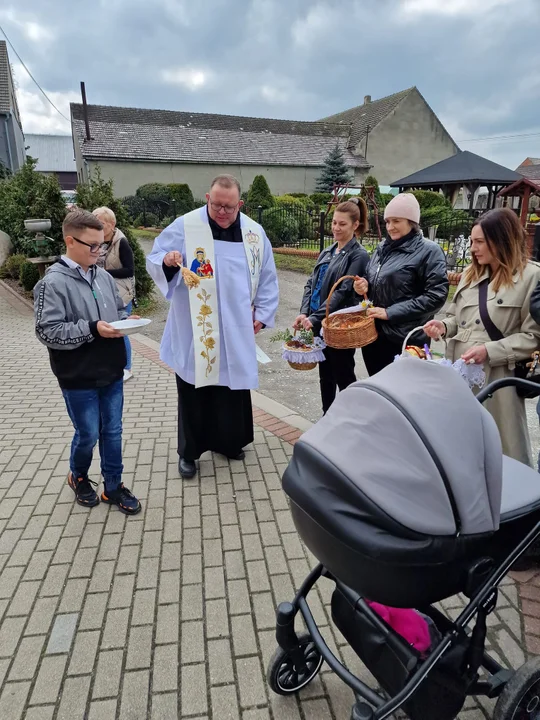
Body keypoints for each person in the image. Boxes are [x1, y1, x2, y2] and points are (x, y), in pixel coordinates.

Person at [146, 174, 279, 479]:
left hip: (235, 326)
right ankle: (190, 453)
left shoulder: (254, 234)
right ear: (207, 198)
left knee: (232, 390)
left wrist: (262, 313)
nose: (221, 212)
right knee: (194, 390)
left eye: (228, 207)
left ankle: (230, 442)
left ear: (240, 204)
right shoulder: (185, 226)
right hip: (196, 327)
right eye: (216, 204)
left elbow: (268, 278)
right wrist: (168, 260)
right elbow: (154, 258)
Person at [34, 209, 141, 515]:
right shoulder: (52, 283)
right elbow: (46, 331)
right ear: (70, 241)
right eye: (92, 246)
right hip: (77, 375)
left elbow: (112, 318)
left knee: (113, 432)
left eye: (102, 245)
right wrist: (91, 328)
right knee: (89, 433)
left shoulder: (104, 277)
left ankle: (113, 486)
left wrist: (126, 320)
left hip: (111, 370)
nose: (99, 252)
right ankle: (78, 475)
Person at [425, 208, 540, 466]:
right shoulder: (470, 273)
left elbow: (533, 337)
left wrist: (490, 351)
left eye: (479, 242)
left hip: (498, 381)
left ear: (501, 240)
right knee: (462, 449)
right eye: (472, 240)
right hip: (460, 375)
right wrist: (443, 326)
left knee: (505, 451)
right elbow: (456, 316)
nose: (472, 248)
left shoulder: (531, 277)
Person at [353, 193, 448, 375]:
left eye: (396, 221)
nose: (390, 227)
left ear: (411, 221)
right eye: (387, 221)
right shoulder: (382, 248)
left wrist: (390, 313)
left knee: (406, 396)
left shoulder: (429, 251)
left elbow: (435, 296)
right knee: (381, 392)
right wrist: (363, 286)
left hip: (407, 340)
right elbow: (372, 279)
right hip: (375, 336)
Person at [294, 200, 369, 414]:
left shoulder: (358, 255)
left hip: (339, 325)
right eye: (334, 222)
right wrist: (304, 312)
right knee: (325, 376)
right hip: (319, 322)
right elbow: (311, 284)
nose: (336, 228)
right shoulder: (327, 251)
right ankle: (327, 418)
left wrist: (316, 318)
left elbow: (343, 290)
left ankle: (351, 421)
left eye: (342, 224)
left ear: (355, 225)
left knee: (343, 375)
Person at [92, 207, 136, 382]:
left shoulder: (121, 242)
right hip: (101, 293)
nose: (98, 228)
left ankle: (127, 368)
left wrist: (104, 273)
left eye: (101, 224)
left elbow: (130, 270)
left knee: (121, 330)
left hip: (121, 293)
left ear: (112, 224)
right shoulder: (95, 241)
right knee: (106, 329)